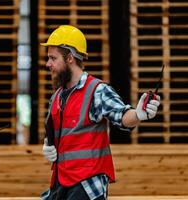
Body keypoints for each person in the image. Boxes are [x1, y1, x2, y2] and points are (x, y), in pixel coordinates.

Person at [40, 25, 161, 200]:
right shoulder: (56, 97)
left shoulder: (96, 90)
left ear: (69, 58)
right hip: (60, 182)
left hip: (87, 185)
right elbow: (61, 133)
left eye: (53, 58)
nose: (47, 64)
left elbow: (122, 115)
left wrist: (139, 114)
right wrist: (48, 145)